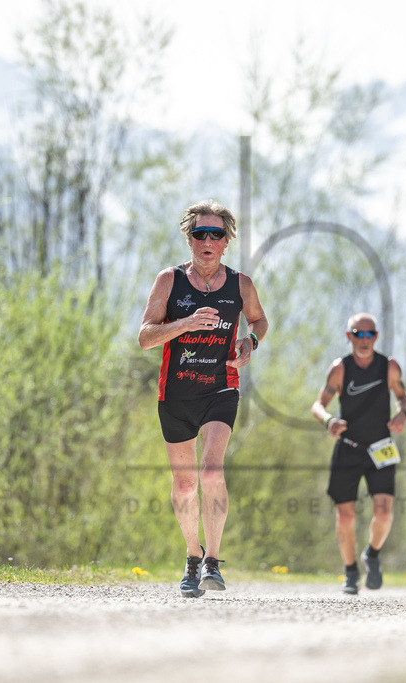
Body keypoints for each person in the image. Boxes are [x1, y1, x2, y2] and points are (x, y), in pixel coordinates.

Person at [138, 200, 268, 598]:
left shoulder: (240, 284)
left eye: (216, 234)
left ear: (227, 241)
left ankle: (213, 560)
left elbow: (259, 319)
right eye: (200, 233)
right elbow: (145, 337)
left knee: (211, 472)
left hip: (220, 388)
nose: (208, 240)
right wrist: (185, 324)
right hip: (176, 393)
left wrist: (251, 341)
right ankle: (192, 557)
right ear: (189, 238)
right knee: (184, 484)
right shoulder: (169, 281)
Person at [311, 313, 406, 594]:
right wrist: (329, 420)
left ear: (376, 337)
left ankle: (373, 554)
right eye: (358, 333)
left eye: (370, 334)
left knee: (384, 512)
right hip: (349, 449)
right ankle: (351, 571)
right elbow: (318, 405)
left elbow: (403, 396)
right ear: (349, 336)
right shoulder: (340, 369)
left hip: (381, 447)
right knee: (345, 516)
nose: (364, 339)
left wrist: (402, 413)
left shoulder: (388, 367)